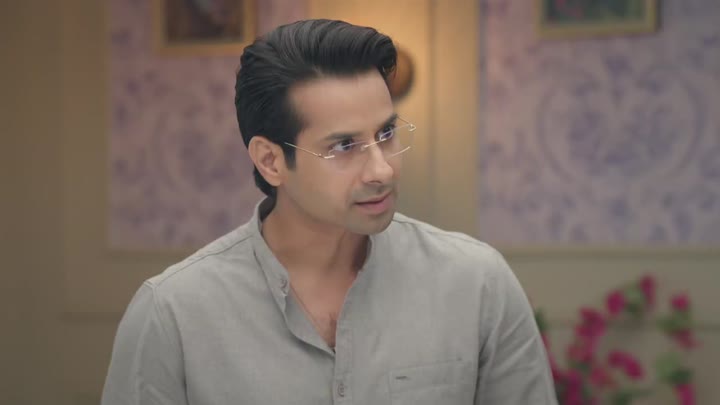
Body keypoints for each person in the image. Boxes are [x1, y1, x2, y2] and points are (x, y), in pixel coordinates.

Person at [101, 19, 557, 405]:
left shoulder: (477, 284)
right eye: (344, 146)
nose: (381, 170)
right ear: (270, 161)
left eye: (386, 134)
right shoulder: (172, 314)